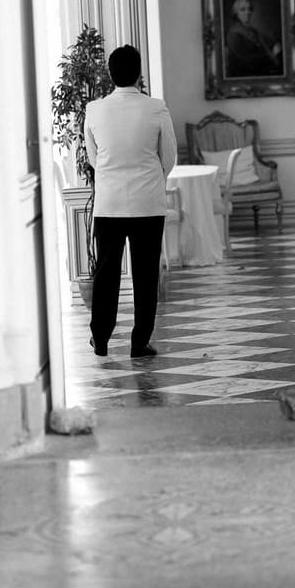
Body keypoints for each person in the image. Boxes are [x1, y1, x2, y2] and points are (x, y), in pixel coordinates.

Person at [83, 44, 177, 359]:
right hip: (148, 203)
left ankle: (101, 339)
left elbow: (94, 159)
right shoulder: (156, 107)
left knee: (106, 273)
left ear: (111, 74)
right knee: (146, 273)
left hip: (109, 204)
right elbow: (169, 157)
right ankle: (139, 342)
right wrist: (150, 178)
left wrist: (113, 175)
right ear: (139, 73)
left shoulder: (94, 109)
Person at [225, 0, 283, 77]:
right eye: (242, 10)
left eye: (249, 9)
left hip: (260, 69)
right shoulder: (234, 34)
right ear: (235, 13)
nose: (248, 12)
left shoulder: (252, 30)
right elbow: (247, 61)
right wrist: (272, 54)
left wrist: (274, 45)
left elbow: (265, 44)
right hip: (244, 75)